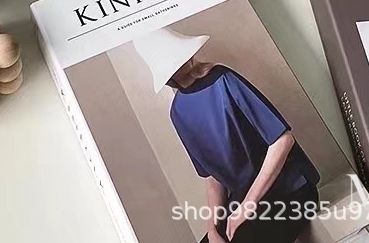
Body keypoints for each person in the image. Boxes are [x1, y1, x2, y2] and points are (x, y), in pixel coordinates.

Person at [134, 28, 320, 243]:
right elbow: (214, 176)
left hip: (291, 190)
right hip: (244, 202)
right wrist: (212, 228)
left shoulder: (223, 79)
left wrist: (246, 207)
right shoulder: (178, 113)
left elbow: (282, 141)